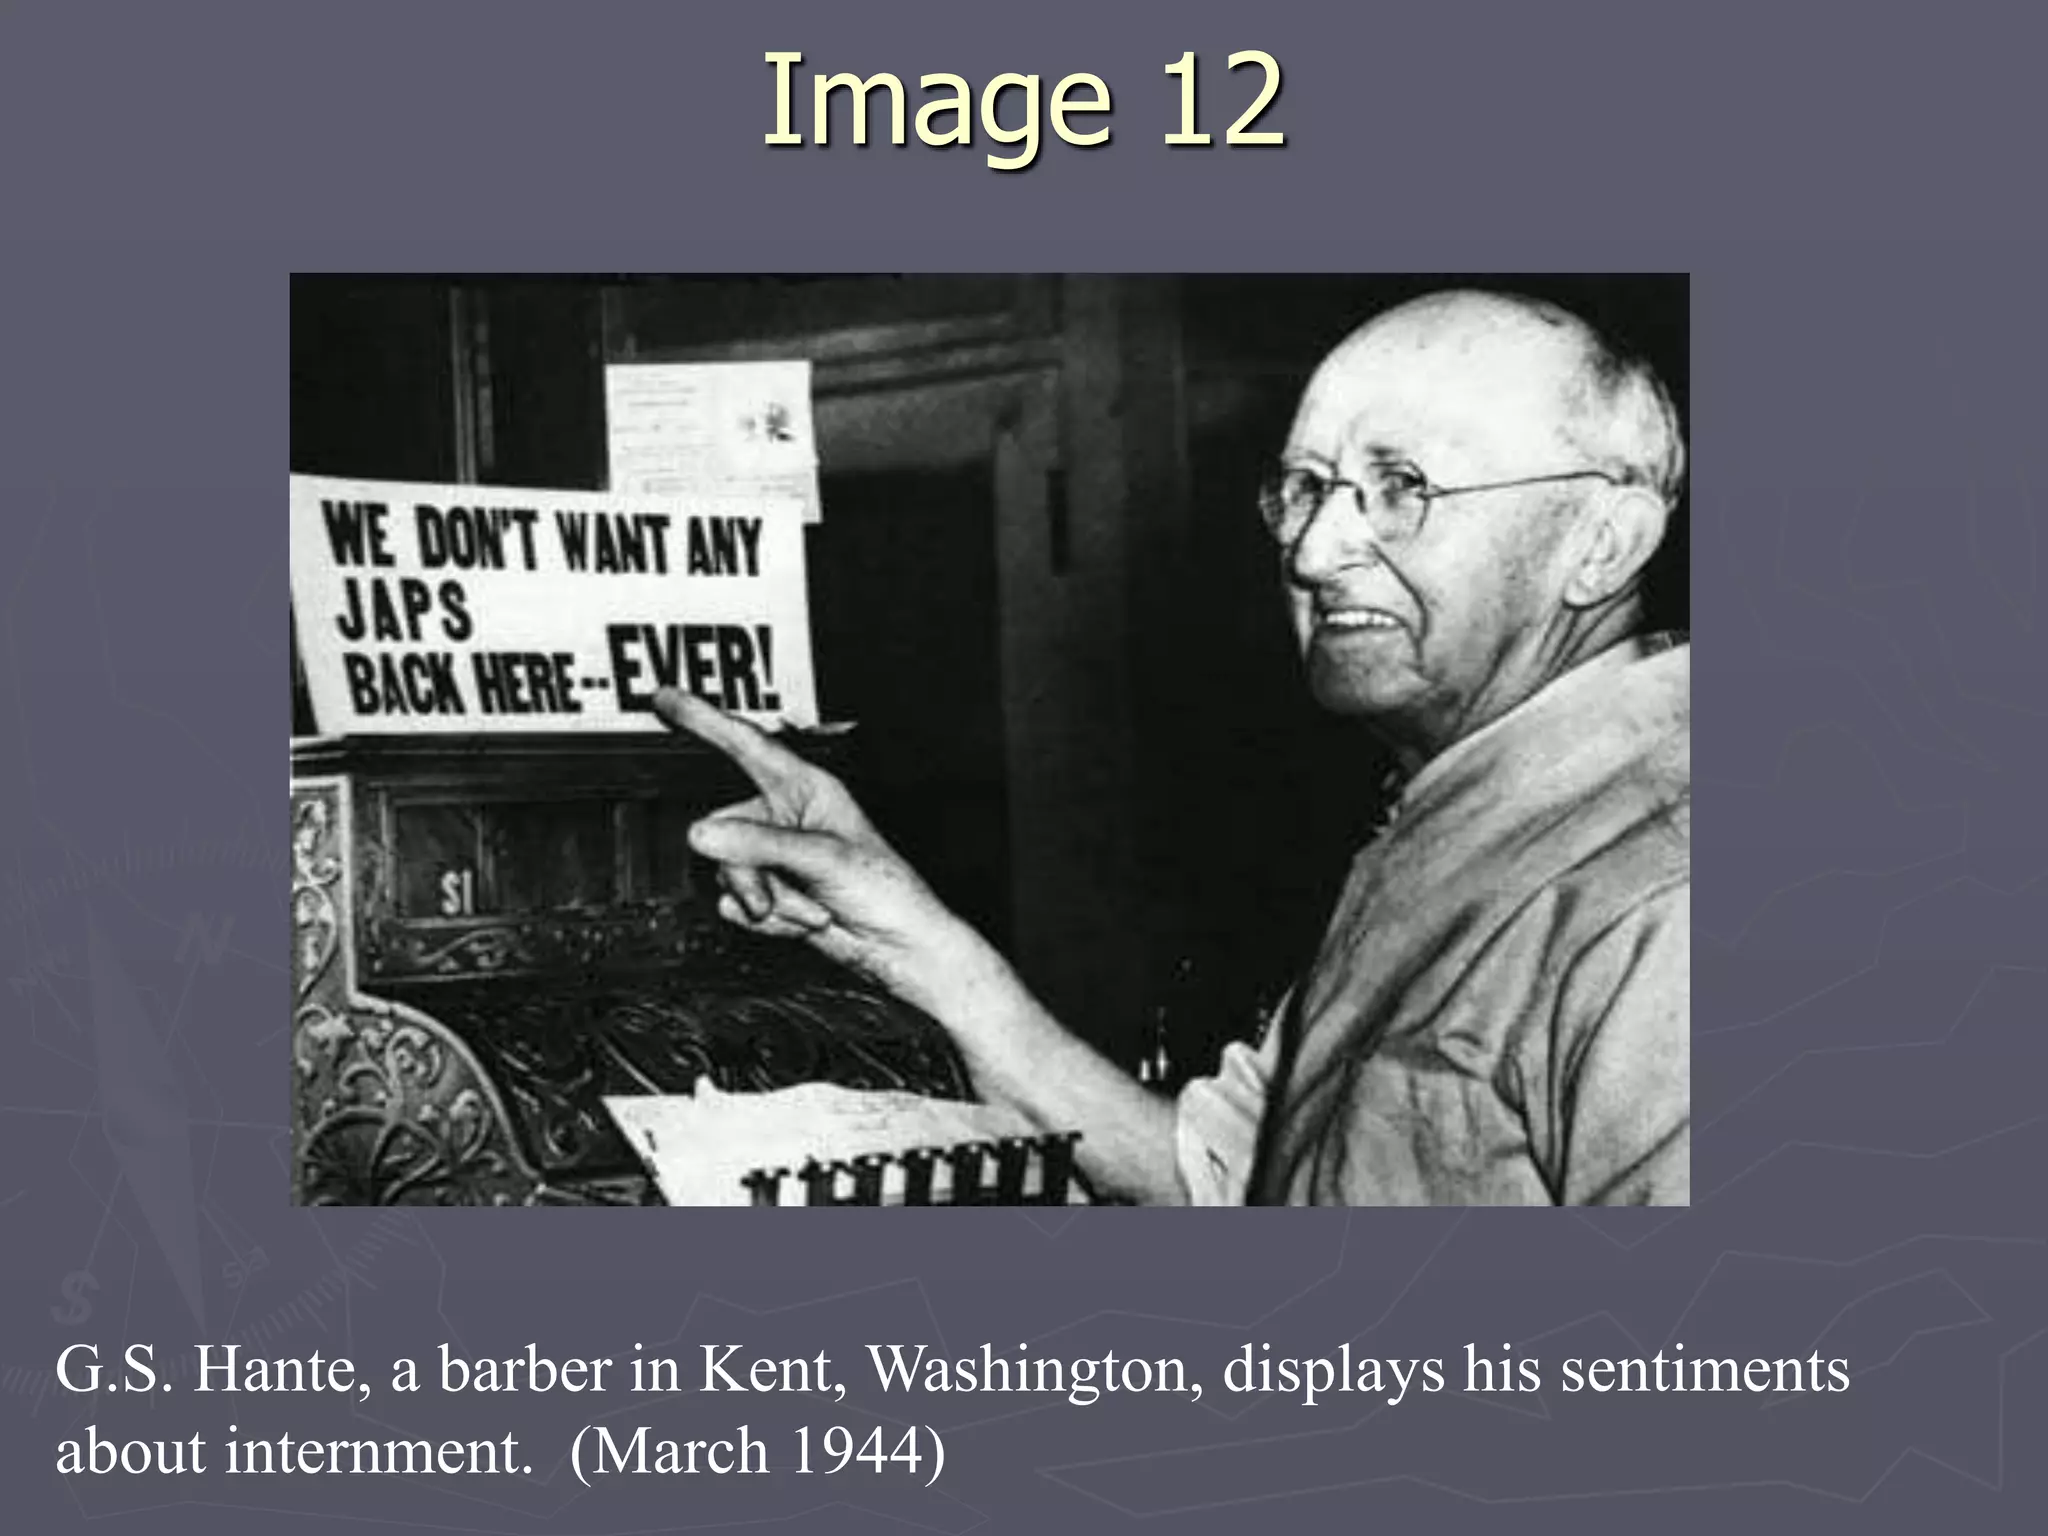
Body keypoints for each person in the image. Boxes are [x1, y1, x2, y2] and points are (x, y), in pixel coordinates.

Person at [655, 287, 1690, 1206]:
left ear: (1602, 541)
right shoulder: (1472, 816)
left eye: (1402, 486)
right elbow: (1223, 1183)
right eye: (1305, 487)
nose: (1312, 550)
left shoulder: (1666, 889)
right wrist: (902, 936)